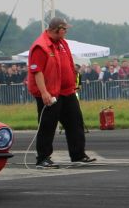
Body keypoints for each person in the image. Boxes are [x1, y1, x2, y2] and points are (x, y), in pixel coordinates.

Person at [26, 17, 94, 168]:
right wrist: (44, 93)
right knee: (47, 125)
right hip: (50, 93)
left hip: (66, 91)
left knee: (75, 121)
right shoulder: (41, 46)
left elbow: (67, 63)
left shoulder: (62, 43)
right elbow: (37, 72)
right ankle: (42, 158)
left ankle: (78, 155)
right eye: (65, 29)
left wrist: (72, 77)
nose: (66, 32)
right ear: (58, 29)